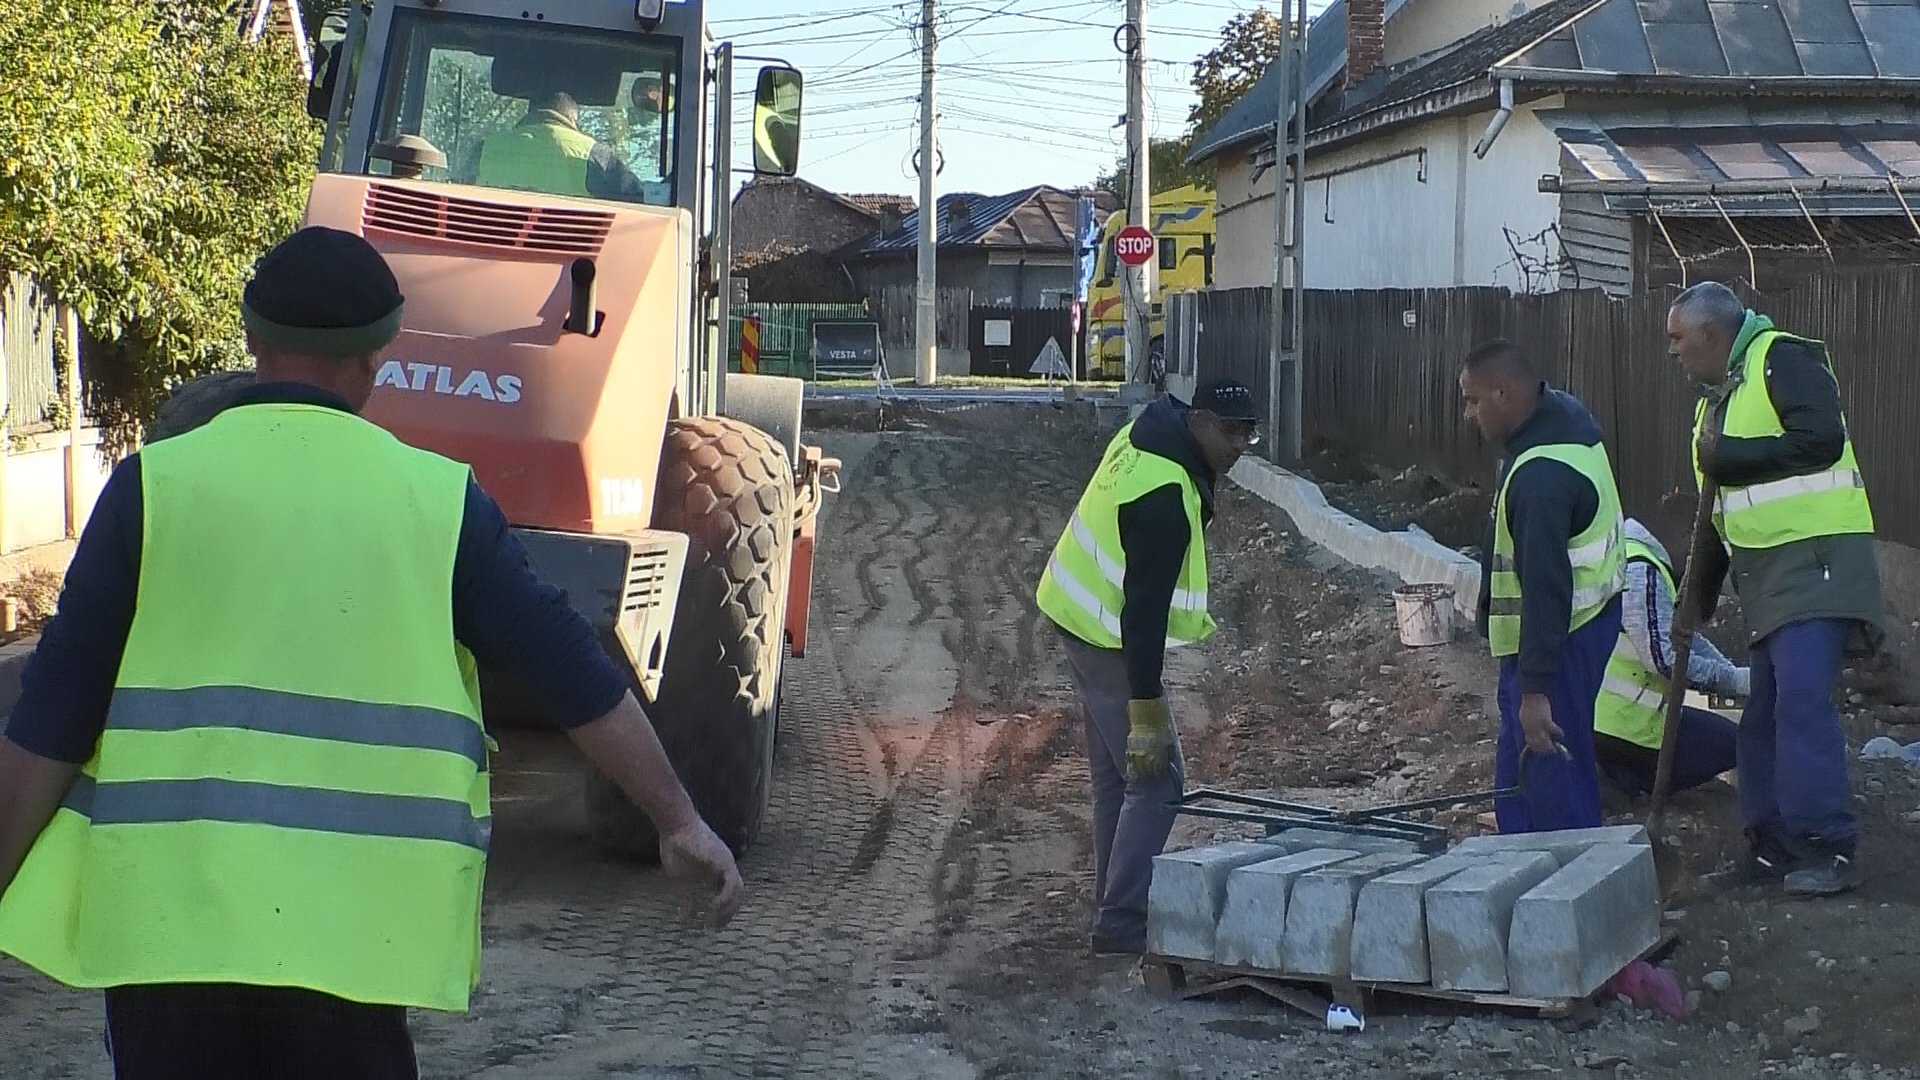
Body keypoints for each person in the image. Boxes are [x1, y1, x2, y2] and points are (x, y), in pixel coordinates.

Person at [0, 227, 741, 1078]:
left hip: (170, 950)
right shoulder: (437, 503)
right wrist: (679, 819)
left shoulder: (150, 488)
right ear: (376, 359)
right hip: (350, 953)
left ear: (250, 339)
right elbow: (573, 672)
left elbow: (46, 724)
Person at [1667, 280, 1885, 897]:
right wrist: (1696, 600)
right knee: (1759, 717)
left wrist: (1729, 457)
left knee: (1799, 704)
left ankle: (1827, 847)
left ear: (1711, 334)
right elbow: (1715, 517)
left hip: (1817, 563)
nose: (1674, 352)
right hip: (1768, 578)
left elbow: (1822, 439)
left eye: (1678, 339)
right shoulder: (1715, 406)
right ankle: (1771, 848)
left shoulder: (1783, 358)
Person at [1035, 380, 1261, 956]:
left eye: (1250, 432)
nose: (1241, 444)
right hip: (1103, 631)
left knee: (1119, 776)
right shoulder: (1162, 497)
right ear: (1201, 421)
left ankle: (1113, 900)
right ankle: (1122, 919)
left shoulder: (1153, 430)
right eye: (1233, 431)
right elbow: (1144, 613)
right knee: (1159, 776)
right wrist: (1146, 706)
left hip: (1076, 607)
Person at [1459, 339, 1626, 835]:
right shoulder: (1561, 419)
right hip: (1576, 626)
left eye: (1473, 400)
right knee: (1521, 762)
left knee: (1550, 759)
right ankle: (1519, 854)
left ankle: (1569, 873)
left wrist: (1535, 690)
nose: (1469, 414)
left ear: (1504, 394)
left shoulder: (1542, 479)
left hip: (1561, 637)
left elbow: (1546, 590)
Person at [1592, 517, 1748, 801]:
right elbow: (1664, 659)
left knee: (1728, 738)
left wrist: (1733, 674)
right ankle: (1622, 777)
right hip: (1626, 728)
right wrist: (1734, 680)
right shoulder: (1642, 572)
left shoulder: (1629, 552)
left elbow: (1683, 637)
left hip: (1609, 720)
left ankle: (1620, 777)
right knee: (1739, 743)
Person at [474, 91, 645, 201]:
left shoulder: (485, 148)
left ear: (531, 114)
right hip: (571, 252)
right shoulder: (594, 154)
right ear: (572, 118)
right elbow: (635, 201)